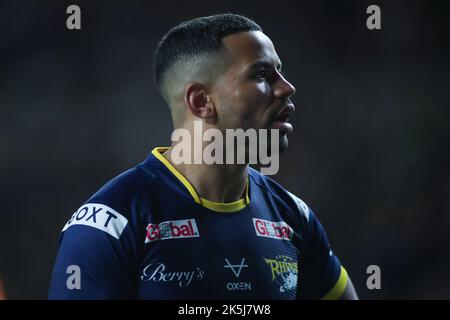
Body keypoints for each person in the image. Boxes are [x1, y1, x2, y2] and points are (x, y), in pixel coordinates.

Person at [48, 13, 358, 300]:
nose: (287, 88)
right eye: (262, 74)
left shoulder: (292, 216)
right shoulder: (109, 225)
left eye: (281, 72)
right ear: (200, 101)